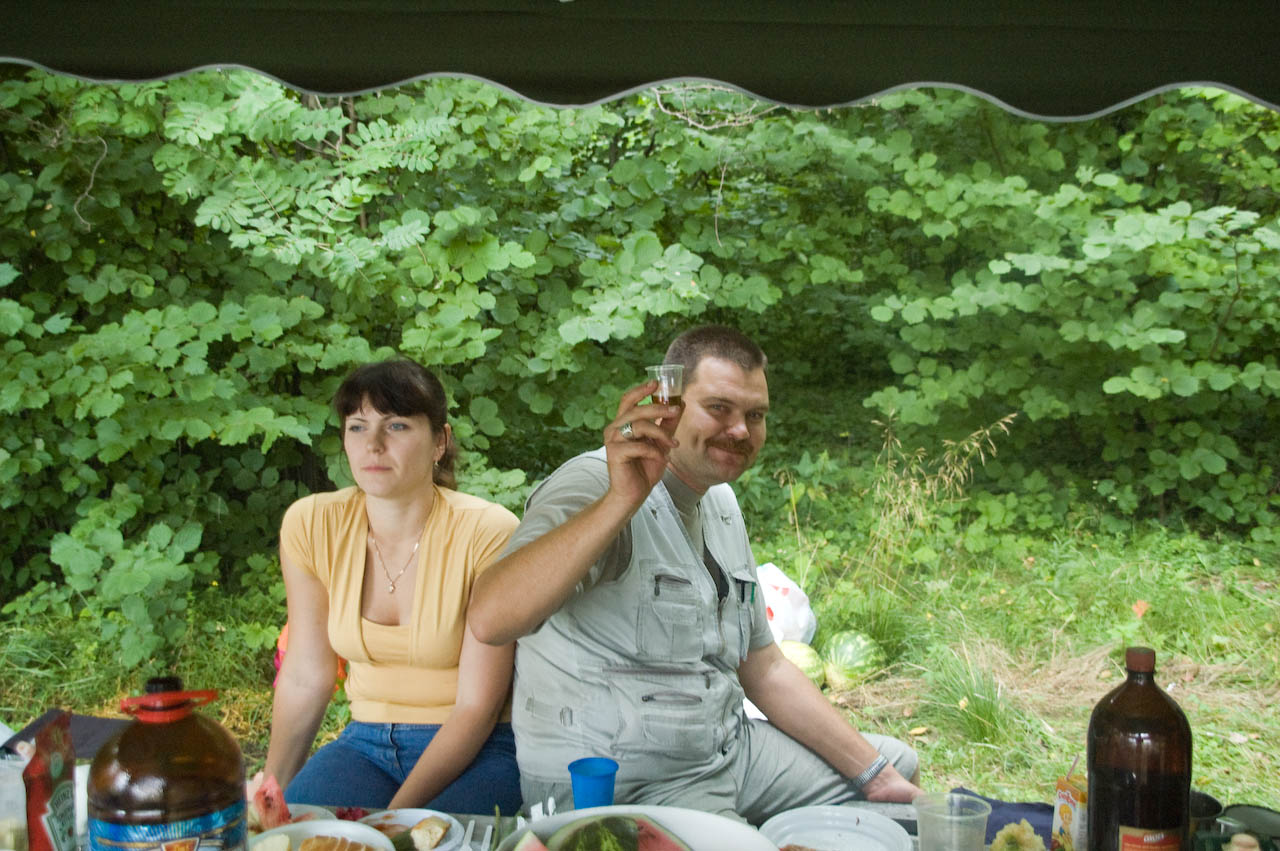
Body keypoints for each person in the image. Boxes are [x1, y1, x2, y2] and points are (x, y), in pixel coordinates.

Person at [469, 325, 922, 825]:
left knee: (896, 773)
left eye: (755, 415)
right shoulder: (592, 484)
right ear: (666, 406)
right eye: (719, 408)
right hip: (622, 778)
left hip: (726, 755)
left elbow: (764, 667)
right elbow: (492, 618)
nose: (741, 430)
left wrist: (875, 775)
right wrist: (620, 500)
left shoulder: (720, 502)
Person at [260, 359, 521, 813]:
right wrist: (271, 795)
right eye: (357, 427)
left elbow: (477, 706)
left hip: (480, 747)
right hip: (364, 746)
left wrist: (394, 820)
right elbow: (305, 675)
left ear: (440, 441)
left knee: (434, 842)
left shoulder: (488, 532)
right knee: (298, 835)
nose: (374, 445)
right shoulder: (311, 524)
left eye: (396, 425)